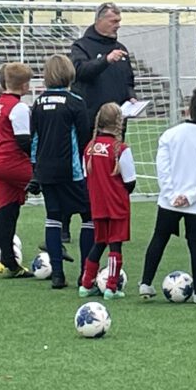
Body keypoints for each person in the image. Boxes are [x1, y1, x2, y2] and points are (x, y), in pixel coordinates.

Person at [140, 89, 196, 304]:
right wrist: (191, 196)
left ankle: (145, 282)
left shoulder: (170, 135)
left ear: (188, 110)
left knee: (159, 238)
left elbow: (162, 167)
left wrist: (171, 194)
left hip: (169, 201)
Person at [69, 1, 136, 242]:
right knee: (84, 171)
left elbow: (129, 79)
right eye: (114, 21)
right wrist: (105, 60)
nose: (118, 25)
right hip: (89, 122)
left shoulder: (121, 48)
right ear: (99, 20)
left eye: (119, 21)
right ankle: (72, 220)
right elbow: (79, 72)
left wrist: (131, 96)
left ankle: (112, 220)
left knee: (114, 172)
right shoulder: (81, 46)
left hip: (117, 124)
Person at [28, 55, 91, 289]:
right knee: (89, 216)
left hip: (45, 170)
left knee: (53, 217)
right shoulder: (75, 101)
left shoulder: (38, 103)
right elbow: (84, 137)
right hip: (71, 170)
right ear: (69, 74)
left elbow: (34, 140)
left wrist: (35, 171)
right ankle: (86, 272)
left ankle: (57, 274)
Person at [78, 103, 137, 299]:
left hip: (98, 204)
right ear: (119, 122)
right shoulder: (121, 149)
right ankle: (111, 287)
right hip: (117, 204)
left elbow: (87, 176)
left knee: (99, 242)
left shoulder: (89, 148)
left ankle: (86, 284)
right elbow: (130, 182)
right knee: (115, 245)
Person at [0, 62, 36, 278]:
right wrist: (38, 163)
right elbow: (23, 140)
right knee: (56, 186)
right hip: (12, 162)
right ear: (25, 86)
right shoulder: (19, 107)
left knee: (6, 210)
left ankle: (7, 260)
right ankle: (56, 245)